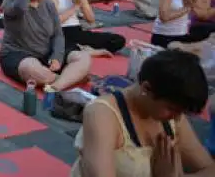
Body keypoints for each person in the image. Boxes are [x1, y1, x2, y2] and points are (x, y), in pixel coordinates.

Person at [71, 49, 214, 177]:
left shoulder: (173, 117)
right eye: (172, 109)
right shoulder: (102, 114)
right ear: (146, 88)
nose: (177, 118)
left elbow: (209, 169)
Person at [0, 0, 92, 91]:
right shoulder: (11, 5)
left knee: (83, 57)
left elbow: (58, 34)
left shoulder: (47, 3)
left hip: (46, 51)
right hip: (19, 54)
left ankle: (56, 86)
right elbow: (20, 7)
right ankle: (71, 78)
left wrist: (56, 57)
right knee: (30, 69)